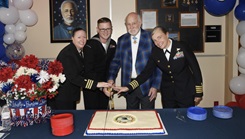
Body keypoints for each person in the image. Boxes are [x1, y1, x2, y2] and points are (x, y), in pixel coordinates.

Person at [115, 26, 203, 108]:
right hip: (168, 94)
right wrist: (128, 87)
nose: (158, 42)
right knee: (169, 120)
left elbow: (195, 69)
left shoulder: (181, 46)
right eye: (154, 40)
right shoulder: (155, 52)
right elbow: (145, 73)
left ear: (167, 34)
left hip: (185, 91)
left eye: (159, 37)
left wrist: (199, 92)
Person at [104, 12, 162, 109]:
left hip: (147, 85)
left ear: (140, 23)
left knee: (148, 118)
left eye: (134, 23)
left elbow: (158, 64)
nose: (131, 26)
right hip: (128, 85)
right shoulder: (122, 40)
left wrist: (155, 86)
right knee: (131, 116)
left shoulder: (150, 38)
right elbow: (116, 62)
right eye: (128, 24)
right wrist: (111, 78)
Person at [48, 27, 111, 110]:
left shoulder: (78, 51)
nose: (82, 40)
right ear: (72, 38)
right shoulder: (68, 54)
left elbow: (84, 73)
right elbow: (74, 78)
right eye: (79, 37)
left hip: (70, 95)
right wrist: (97, 84)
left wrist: (101, 86)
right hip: (62, 97)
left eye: (84, 37)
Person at [82, 17, 116, 110]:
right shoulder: (89, 45)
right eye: (102, 29)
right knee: (92, 116)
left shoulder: (113, 44)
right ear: (97, 29)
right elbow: (88, 71)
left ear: (112, 29)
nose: (106, 32)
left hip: (106, 86)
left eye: (108, 29)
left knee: (104, 115)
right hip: (92, 88)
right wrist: (101, 86)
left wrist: (111, 81)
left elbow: (113, 66)